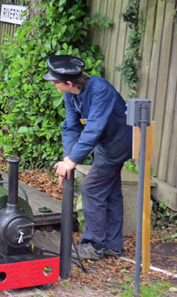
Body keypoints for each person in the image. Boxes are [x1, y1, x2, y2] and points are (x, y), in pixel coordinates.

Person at [44, 55, 132, 261]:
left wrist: (72, 161)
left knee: (92, 189)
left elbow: (93, 128)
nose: (53, 85)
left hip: (117, 144)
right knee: (110, 191)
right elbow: (71, 126)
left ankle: (94, 246)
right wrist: (68, 158)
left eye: (55, 82)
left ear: (68, 82)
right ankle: (112, 245)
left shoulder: (101, 90)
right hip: (103, 143)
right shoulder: (70, 93)